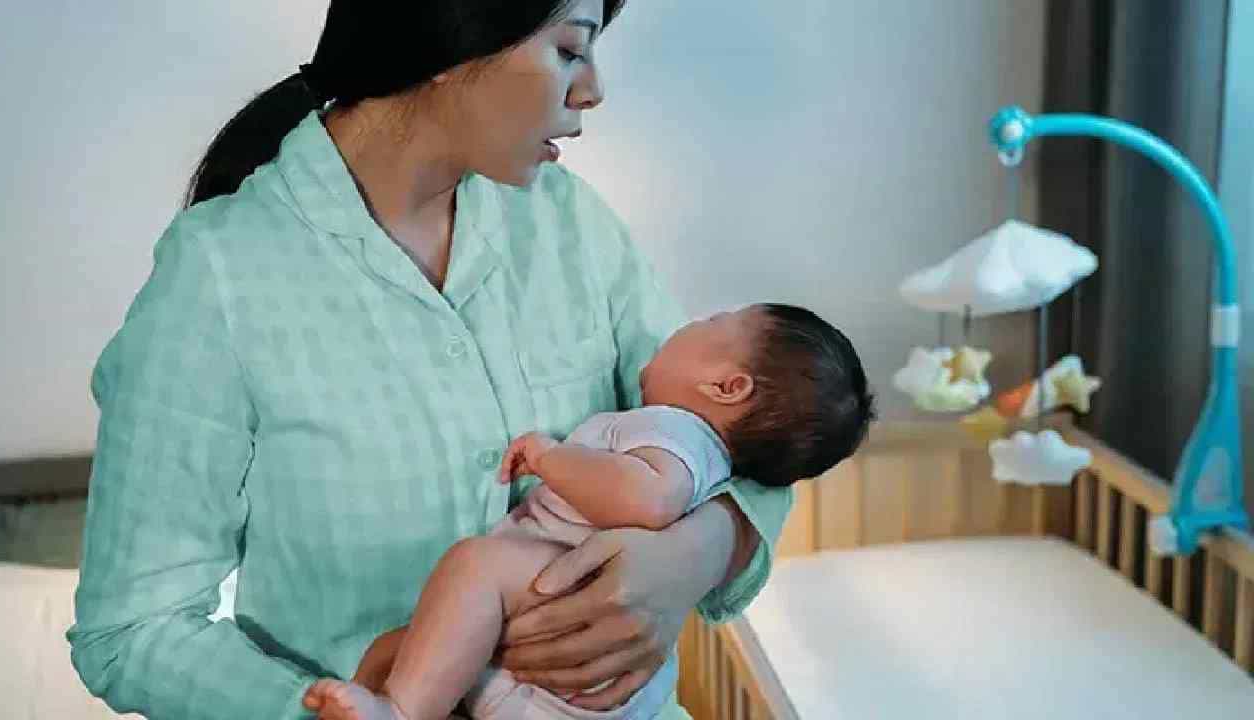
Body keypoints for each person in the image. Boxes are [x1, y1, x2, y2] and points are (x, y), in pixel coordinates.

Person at [67, 2, 796, 718]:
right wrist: (318, 711)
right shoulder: (220, 273)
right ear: (455, 36)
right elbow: (132, 632)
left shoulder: (573, 226)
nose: (592, 91)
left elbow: (755, 425)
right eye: (570, 50)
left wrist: (691, 559)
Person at [302, 304, 875, 719]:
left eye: (709, 322)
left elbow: (649, 500)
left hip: (567, 595)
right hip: (567, 644)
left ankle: (400, 712)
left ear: (727, 386)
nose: (683, 324)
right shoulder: (696, 450)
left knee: (475, 565)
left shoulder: (677, 434)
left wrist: (551, 457)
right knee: (396, 649)